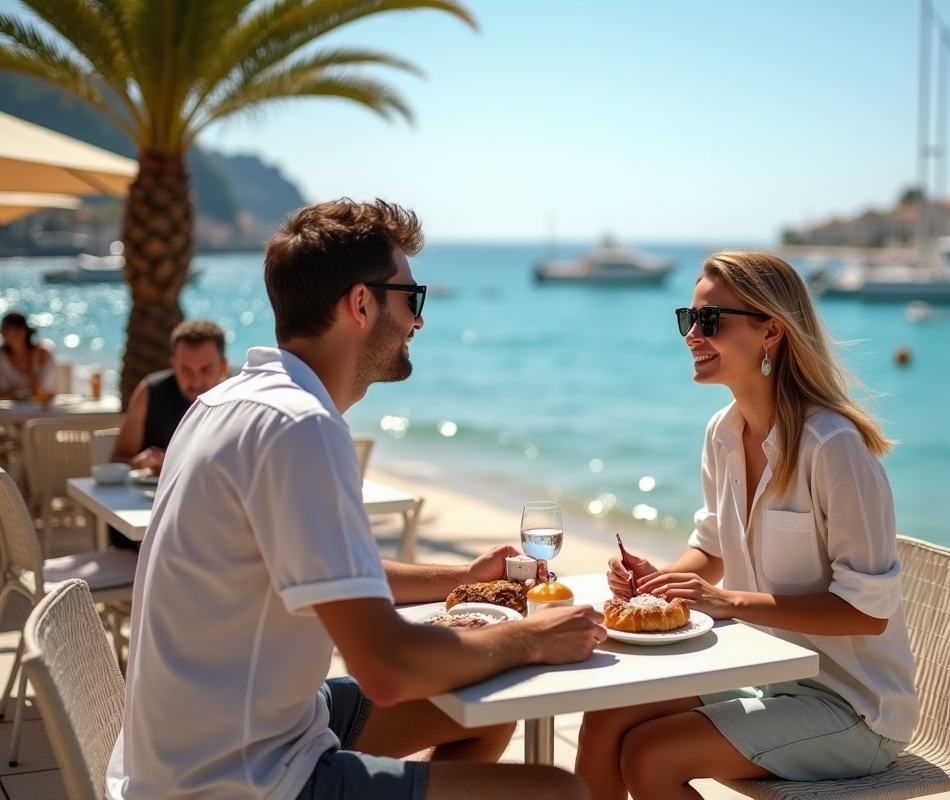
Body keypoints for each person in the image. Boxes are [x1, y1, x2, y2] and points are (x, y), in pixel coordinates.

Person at [106, 199, 604, 800]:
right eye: (412, 300)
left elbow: (334, 577)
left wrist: (462, 579)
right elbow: (388, 668)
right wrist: (535, 638)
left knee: (489, 709)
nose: (418, 322)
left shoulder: (227, 402)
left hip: (217, 741)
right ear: (361, 304)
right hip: (237, 779)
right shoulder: (300, 427)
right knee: (560, 792)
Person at [575, 251, 918, 800]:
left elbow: (867, 613)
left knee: (650, 755)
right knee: (605, 716)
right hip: (761, 672)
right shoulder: (723, 433)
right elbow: (710, 550)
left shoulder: (834, 448)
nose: (692, 335)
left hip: (853, 706)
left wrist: (726, 602)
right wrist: (655, 584)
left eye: (709, 321)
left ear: (771, 332)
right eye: (688, 319)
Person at [111, 319, 229, 474]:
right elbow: (118, 459)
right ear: (173, 366)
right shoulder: (150, 392)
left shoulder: (240, 398)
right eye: (186, 370)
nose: (196, 381)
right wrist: (139, 463)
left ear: (223, 367)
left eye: (206, 370)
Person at [0, 312, 58, 399]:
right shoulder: (2, 356)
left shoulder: (42, 353)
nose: (4, 332)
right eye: (4, 329)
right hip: (9, 411)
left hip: (39, 409)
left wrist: (30, 370)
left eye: (8, 328)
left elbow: (48, 392)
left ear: (24, 331)